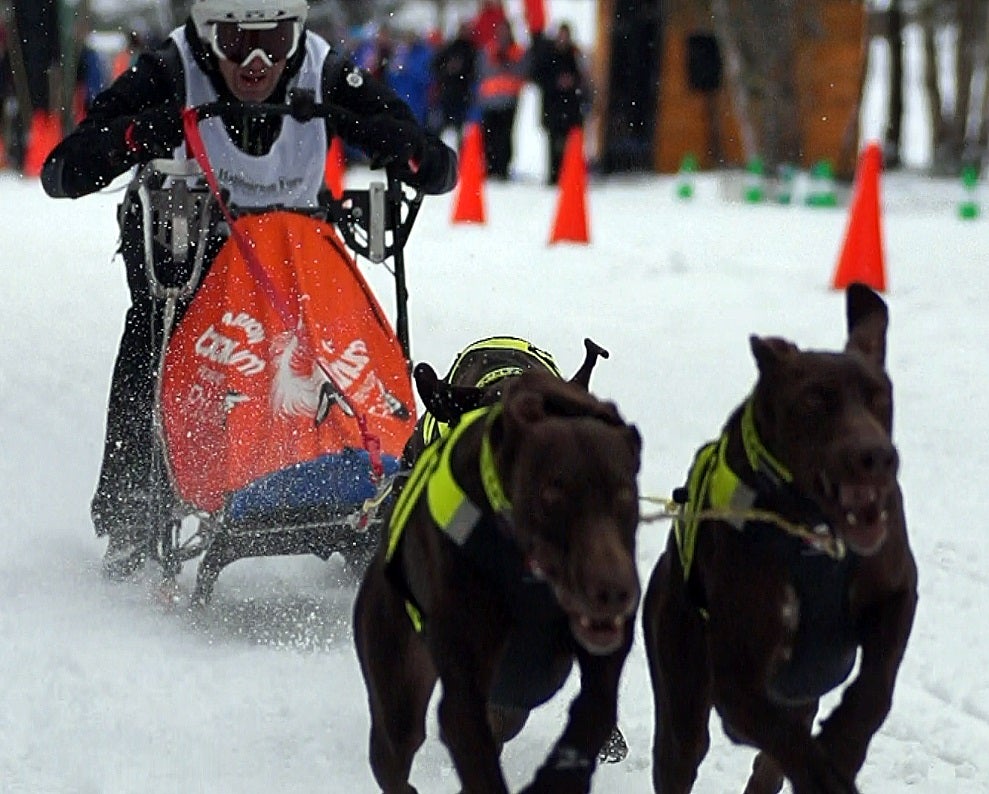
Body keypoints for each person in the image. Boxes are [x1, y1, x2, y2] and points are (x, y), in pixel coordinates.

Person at [41, 0, 458, 580]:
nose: (258, 61)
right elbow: (61, 171)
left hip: (302, 265)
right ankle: (130, 508)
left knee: (347, 342)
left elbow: (440, 169)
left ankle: (374, 462)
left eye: (276, 41)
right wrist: (135, 136)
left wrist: (396, 142)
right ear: (209, 36)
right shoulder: (169, 68)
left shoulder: (325, 70)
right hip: (200, 265)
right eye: (238, 42)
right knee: (146, 334)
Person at [530, 22, 588, 185]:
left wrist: (572, 82)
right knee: (553, 143)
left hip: (570, 107)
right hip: (553, 106)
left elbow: (583, 78)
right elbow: (538, 76)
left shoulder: (574, 55)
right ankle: (553, 175)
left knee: (568, 143)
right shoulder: (548, 55)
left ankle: (567, 174)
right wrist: (556, 83)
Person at [475, 18, 525, 180]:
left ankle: (502, 167)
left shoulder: (515, 52)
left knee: (505, 137)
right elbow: (482, 71)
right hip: (490, 101)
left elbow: (522, 71)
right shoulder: (489, 51)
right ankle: (491, 166)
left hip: (508, 101)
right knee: (490, 137)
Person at [429, 21, 477, 149]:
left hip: (461, 95)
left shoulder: (471, 50)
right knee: (441, 129)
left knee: (459, 130)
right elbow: (435, 66)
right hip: (448, 94)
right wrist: (447, 69)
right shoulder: (452, 48)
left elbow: (474, 72)